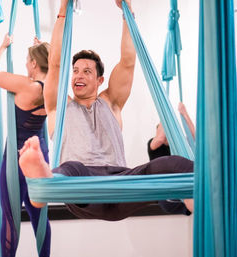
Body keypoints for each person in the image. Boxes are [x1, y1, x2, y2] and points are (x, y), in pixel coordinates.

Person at [19, 0, 194, 221]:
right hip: (81, 187)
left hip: (121, 185)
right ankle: (44, 183)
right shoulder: (59, 107)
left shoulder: (112, 103)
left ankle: (197, 196)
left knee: (171, 164)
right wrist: (63, 9)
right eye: (75, 71)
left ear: (100, 79)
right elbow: (55, 64)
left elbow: (128, 62)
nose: (78, 76)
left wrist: (126, 14)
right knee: (71, 167)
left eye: (86, 71)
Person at [0, 34, 51, 257]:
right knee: (40, 219)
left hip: (16, 161)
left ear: (33, 63)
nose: (24, 64)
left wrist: (2, 47)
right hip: (40, 161)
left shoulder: (27, 86)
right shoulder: (52, 89)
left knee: (10, 219)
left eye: (27, 60)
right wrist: (42, 49)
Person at [148, 102, 195, 215]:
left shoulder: (178, 146)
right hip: (166, 193)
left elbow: (195, 138)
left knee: (193, 196)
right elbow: (159, 138)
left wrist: (185, 114)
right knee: (188, 196)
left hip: (181, 191)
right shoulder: (153, 144)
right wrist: (166, 116)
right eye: (164, 128)